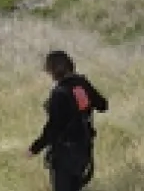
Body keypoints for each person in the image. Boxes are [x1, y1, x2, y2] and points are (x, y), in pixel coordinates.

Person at [28, 50, 109, 191]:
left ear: (52, 70)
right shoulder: (82, 84)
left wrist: (35, 148)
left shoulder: (59, 94)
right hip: (84, 149)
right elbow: (102, 105)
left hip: (65, 153)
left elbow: (53, 127)